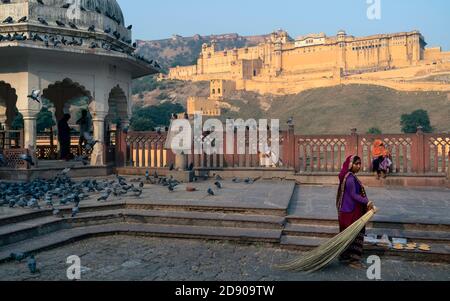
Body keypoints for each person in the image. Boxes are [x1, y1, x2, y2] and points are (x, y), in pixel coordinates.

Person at [336, 155, 375, 269]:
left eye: (359, 164)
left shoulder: (350, 176)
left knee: (346, 236)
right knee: (355, 235)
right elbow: (354, 195)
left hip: (347, 212)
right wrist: (367, 202)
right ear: (350, 165)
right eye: (356, 164)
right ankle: (353, 260)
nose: (358, 166)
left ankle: (344, 256)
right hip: (351, 212)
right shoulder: (350, 178)